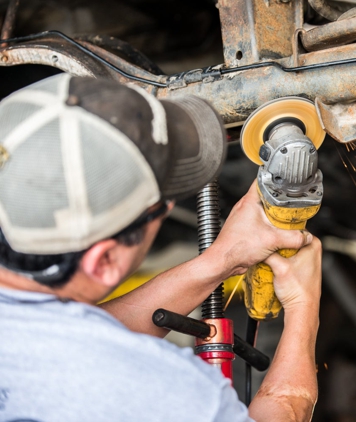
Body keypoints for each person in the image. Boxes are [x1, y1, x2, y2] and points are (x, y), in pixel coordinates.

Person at [0, 74, 322, 422]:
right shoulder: (163, 395)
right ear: (104, 261)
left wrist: (220, 260)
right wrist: (303, 306)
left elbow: (61, 346)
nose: (169, 206)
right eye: (159, 206)